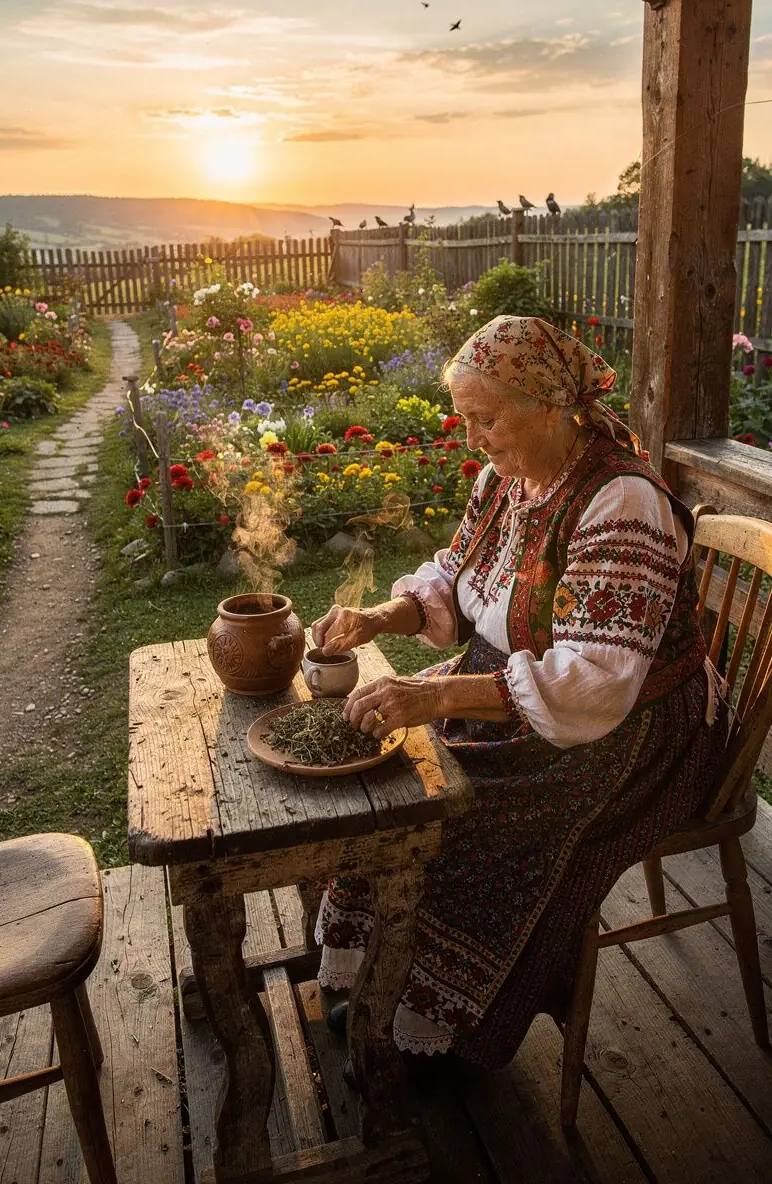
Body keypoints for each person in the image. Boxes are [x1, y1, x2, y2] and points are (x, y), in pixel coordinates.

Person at [311, 315, 727, 1069]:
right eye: (465, 418)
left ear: (550, 407)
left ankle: (453, 1028)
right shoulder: (510, 477)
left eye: (486, 419)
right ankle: (391, 980)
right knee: (389, 767)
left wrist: (433, 698)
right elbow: (459, 577)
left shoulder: (621, 502)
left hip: (633, 725)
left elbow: (596, 682)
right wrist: (381, 616)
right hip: (525, 683)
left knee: (460, 812)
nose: (473, 437)